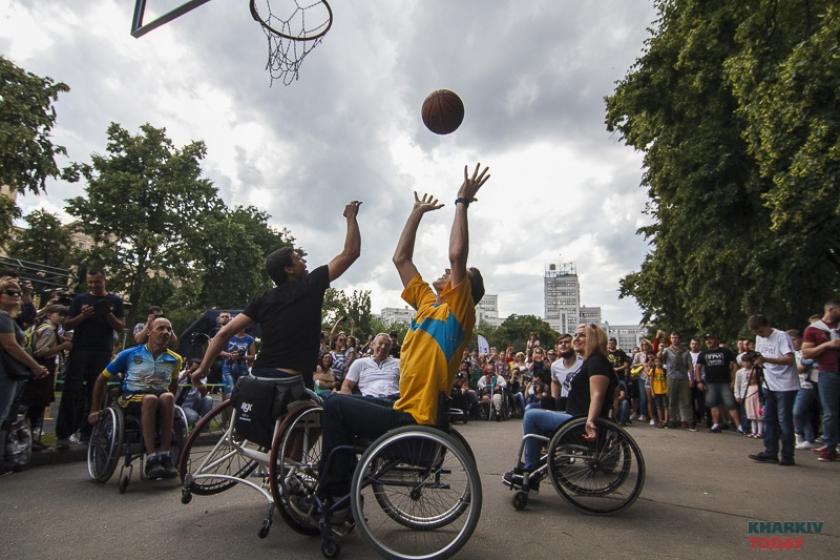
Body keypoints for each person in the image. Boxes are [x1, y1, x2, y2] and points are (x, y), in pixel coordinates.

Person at [318, 164, 489, 500]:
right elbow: (401, 258)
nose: (445, 271)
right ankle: (343, 479)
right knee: (333, 402)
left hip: (416, 419)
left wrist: (461, 202)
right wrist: (415, 213)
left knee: (336, 407)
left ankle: (334, 498)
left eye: (455, 275)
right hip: (401, 406)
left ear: (464, 289)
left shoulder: (459, 314)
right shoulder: (427, 304)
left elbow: (456, 256)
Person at [192, 200, 362, 392]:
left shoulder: (262, 299)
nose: (304, 262)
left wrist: (202, 370)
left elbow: (223, 333)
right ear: (289, 269)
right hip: (291, 381)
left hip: (258, 376)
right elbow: (350, 253)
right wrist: (351, 217)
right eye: (298, 258)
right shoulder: (310, 285)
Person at [504, 323, 617, 490]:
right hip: (575, 416)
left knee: (531, 416)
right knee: (538, 410)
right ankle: (532, 465)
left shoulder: (597, 362)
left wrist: (591, 421)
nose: (576, 339)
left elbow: (598, 395)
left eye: (581, 335)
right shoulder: (591, 362)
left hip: (579, 423)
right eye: (575, 335)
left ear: (593, 339)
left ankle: (530, 469)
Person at [87, 317, 183, 479]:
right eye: (160, 328)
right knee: (151, 399)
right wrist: (94, 409)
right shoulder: (129, 354)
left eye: (169, 329)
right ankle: (152, 458)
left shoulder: (175, 359)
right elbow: (101, 379)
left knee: (167, 397)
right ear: (148, 332)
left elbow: (173, 386)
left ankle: (165, 454)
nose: (166, 332)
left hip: (160, 398)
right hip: (131, 399)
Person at [56, 269, 125, 449]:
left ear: (104, 280)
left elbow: (120, 326)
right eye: (91, 283)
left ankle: (89, 432)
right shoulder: (79, 299)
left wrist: (107, 313)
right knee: (72, 390)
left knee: (96, 392)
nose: (94, 285)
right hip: (80, 349)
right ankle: (64, 433)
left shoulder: (115, 301)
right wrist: (83, 316)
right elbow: (67, 324)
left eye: (97, 282)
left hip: (102, 351)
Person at [0, 277, 49, 473]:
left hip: (10, 374)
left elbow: (29, 316)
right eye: (11, 292)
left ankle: (4, 458)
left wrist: (28, 296)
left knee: (6, 417)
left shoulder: (10, 318)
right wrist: (35, 366)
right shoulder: (2, 318)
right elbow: (11, 345)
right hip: (4, 373)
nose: (17, 296)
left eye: (18, 293)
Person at [748, 314, 799, 466]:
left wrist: (766, 360)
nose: (759, 334)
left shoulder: (781, 337)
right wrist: (758, 362)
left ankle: (788, 455)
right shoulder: (759, 338)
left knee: (784, 421)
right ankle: (770, 451)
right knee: (768, 419)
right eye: (756, 332)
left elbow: (789, 359)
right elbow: (760, 356)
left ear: (766, 325)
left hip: (786, 386)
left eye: (760, 331)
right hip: (768, 384)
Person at [23, 304, 72, 448]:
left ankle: (30, 436)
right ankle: (29, 437)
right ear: (49, 314)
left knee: (36, 405)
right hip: (43, 367)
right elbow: (41, 351)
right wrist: (62, 347)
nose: (62, 317)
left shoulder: (44, 328)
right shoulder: (48, 330)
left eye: (64, 314)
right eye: (59, 314)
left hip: (42, 368)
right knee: (36, 405)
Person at [801, 299, 840, 462]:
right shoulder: (814, 330)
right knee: (830, 412)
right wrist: (827, 345)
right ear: (831, 309)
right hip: (828, 372)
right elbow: (806, 353)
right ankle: (830, 447)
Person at [695, 334, 742, 433]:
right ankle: (716, 424)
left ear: (716, 340)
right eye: (707, 340)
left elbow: (734, 365)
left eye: (711, 339)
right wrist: (699, 381)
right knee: (713, 404)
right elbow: (698, 368)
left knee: (730, 404)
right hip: (710, 383)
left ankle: (739, 426)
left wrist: (734, 380)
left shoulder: (725, 351)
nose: (708, 341)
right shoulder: (703, 353)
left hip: (725, 382)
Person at [340, 333, 400, 401]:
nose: (383, 347)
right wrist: (350, 403)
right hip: (369, 401)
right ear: (372, 345)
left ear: (390, 347)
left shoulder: (399, 363)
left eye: (387, 345)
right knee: (333, 400)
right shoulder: (359, 363)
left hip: (392, 402)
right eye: (380, 343)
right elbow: (346, 386)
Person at [660, 332, 693, 429]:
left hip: (683, 377)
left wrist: (691, 378)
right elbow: (660, 359)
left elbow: (690, 365)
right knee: (671, 400)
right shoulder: (667, 350)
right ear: (670, 339)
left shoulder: (686, 351)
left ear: (679, 339)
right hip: (671, 377)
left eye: (676, 338)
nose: (674, 339)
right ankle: (672, 420)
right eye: (672, 338)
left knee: (686, 400)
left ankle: (686, 420)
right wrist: (661, 350)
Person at [550, 333, 583, 412]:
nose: (563, 344)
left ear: (573, 344)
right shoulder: (555, 365)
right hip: (563, 403)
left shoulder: (583, 362)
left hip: (580, 403)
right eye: (560, 343)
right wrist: (554, 399)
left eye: (567, 342)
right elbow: (555, 382)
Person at [177, 359, 214, 426]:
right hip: (182, 405)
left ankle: (204, 428)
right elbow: (172, 385)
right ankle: (178, 424)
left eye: (198, 370)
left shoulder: (201, 377)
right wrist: (183, 377)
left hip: (194, 403)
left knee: (208, 399)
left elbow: (204, 394)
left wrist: (196, 381)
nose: (196, 372)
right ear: (188, 367)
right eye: (194, 369)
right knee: (193, 417)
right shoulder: (181, 375)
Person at [220, 327, 256, 397]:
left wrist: (241, 357)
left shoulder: (250, 339)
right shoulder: (228, 336)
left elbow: (252, 357)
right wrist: (230, 355)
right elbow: (219, 351)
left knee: (242, 394)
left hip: (243, 369)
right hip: (228, 367)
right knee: (230, 393)